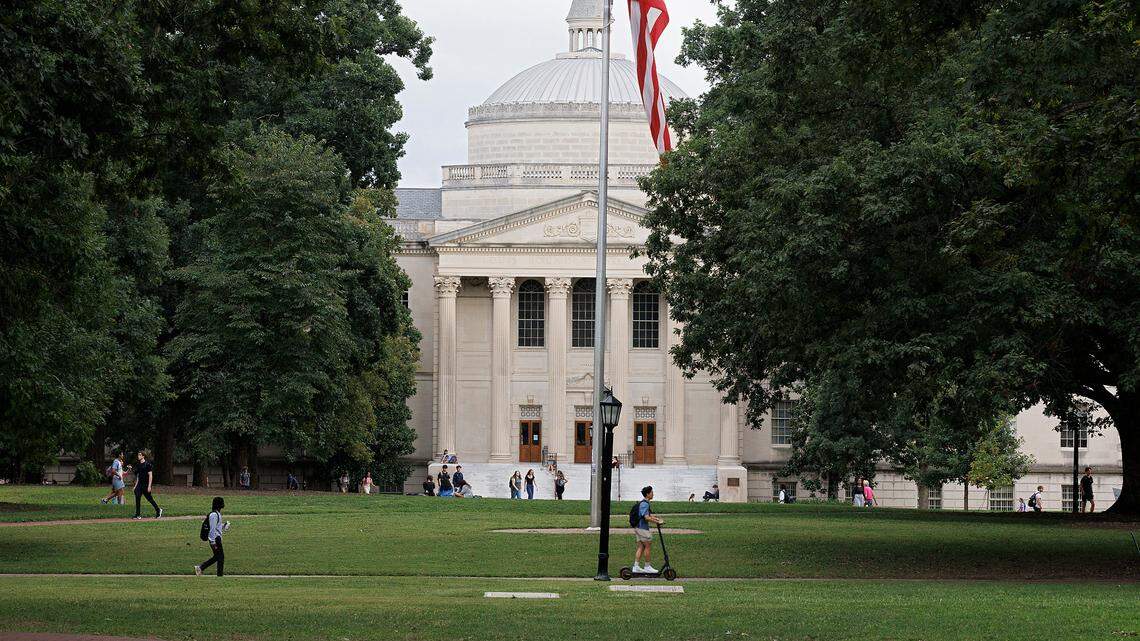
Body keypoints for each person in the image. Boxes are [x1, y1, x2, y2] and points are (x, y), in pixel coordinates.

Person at [632, 486, 664, 574]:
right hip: (642, 528)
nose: (653, 494)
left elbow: (648, 515)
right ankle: (647, 566)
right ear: (647, 494)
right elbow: (646, 517)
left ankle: (636, 566)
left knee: (641, 547)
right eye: (652, 492)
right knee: (647, 546)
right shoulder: (644, 504)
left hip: (638, 528)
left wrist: (657, 519)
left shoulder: (644, 503)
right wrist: (657, 522)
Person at [194, 497, 230, 577]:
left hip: (217, 538)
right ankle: (218, 574)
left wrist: (224, 526)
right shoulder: (214, 515)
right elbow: (212, 529)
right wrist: (213, 542)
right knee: (220, 557)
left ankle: (201, 568)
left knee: (218, 556)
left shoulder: (217, 514)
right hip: (215, 539)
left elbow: (217, 526)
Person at [132, 451, 162, 520]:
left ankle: (158, 510)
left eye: (139, 455)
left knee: (149, 499)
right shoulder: (138, 465)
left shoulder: (147, 464)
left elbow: (150, 475)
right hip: (139, 485)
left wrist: (149, 486)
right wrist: (135, 486)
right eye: (138, 455)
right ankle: (138, 515)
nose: (138, 456)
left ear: (143, 456)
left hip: (145, 485)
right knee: (137, 497)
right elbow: (138, 476)